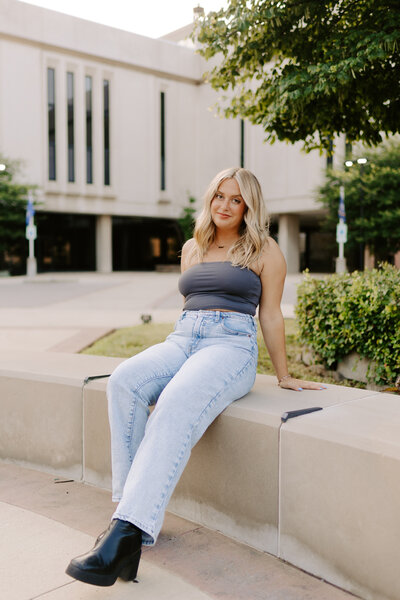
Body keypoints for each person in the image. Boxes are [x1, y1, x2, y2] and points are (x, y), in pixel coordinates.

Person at [65, 167, 326, 587]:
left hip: (231, 346)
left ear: (249, 206)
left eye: (235, 199)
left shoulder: (265, 250)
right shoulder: (193, 246)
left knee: (175, 401)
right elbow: (191, 305)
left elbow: (272, 315)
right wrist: (181, 346)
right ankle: (126, 525)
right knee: (124, 381)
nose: (224, 205)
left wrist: (283, 375)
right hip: (184, 336)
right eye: (219, 196)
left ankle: (122, 535)